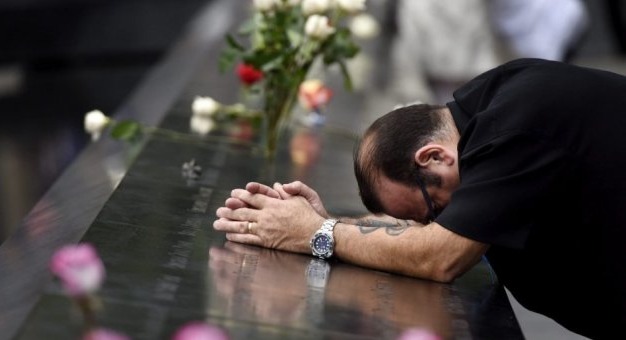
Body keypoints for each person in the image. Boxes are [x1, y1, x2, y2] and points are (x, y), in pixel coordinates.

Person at [213, 58, 626, 339]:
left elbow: (439, 255)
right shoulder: (481, 115)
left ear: (433, 157)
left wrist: (314, 233)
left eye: (434, 209)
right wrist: (330, 221)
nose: (434, 222)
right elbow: (418, 237)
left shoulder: (514, 127)